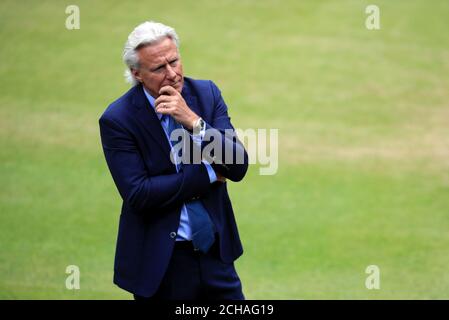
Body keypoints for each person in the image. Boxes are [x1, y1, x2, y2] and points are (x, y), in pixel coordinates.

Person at [99, 21, 249, 300]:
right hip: (161, 265)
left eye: (174, 61)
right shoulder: (118, 120)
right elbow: (139, 193)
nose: (172, 74)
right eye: (158, 68)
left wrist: (194, 122)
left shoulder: (206, 94)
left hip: (216, 255)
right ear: (137, 73)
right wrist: (206, 175)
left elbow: (238, 166)